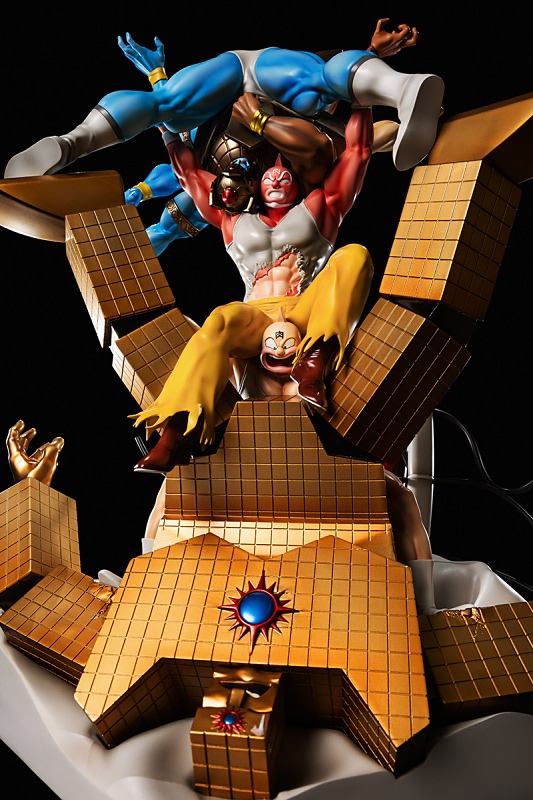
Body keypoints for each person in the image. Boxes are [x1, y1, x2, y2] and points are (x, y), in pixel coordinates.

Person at [131, 98, 375, 474]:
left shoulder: (323, 204)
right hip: (255, 315)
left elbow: (358, 150)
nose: (277, 175)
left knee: (355, 255)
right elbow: (189, 174)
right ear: (256, 182)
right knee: (221, 319)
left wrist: (363, 95)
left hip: (307, 309)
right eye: (269, 172)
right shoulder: (231, 218)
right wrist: (166, 128)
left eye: (286, 170)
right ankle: (176, 432)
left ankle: (315, 362)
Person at [4, 19, 444, 180]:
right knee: (318, 81)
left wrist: (159, 80)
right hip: (263, 86)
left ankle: (71, 144)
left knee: (167, 106)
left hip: (248, 93)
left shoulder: (219, 193)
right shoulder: (319, 156)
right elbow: (364, 140)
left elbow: (175, 134)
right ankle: (402, 89)